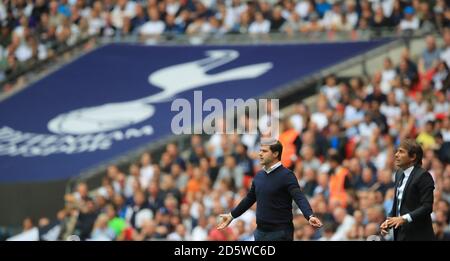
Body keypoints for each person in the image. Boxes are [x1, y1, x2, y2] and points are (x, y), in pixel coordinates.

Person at [217, 139, 322, 241]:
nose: (260, 154)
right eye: (260, 150)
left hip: (280, 233)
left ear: (275, 154)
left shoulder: (287, 175)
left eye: (264, 151)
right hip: (260, 233)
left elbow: (299, 197)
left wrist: (309, 215)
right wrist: (232, 215)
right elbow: (249, 199)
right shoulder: (259, 175)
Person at [380, 139, 435, 241]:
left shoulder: (423, 176)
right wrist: (389, 221)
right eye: (397, 151)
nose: (396, 155)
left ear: (413, 157)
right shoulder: (399, 173)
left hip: (418, 235)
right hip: (401, 234)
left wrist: (404, 218)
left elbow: (427, 207)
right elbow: (398, 204)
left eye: (401, 152)